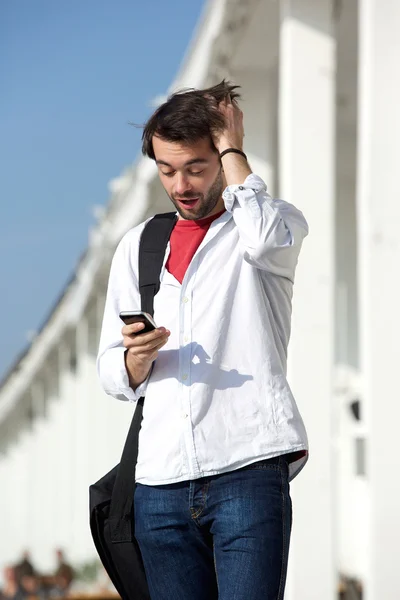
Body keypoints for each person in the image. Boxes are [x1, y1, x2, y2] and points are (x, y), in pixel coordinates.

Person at [97, 80, 309, 600]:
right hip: (159, 484)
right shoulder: (140, 244)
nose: (181, 185)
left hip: (248, 468)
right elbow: (108, 368)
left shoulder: (271, 223)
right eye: (167, 170)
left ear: (222, 156)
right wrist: (134, 361)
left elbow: (261, 238)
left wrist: (235, 148)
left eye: (196, 166)